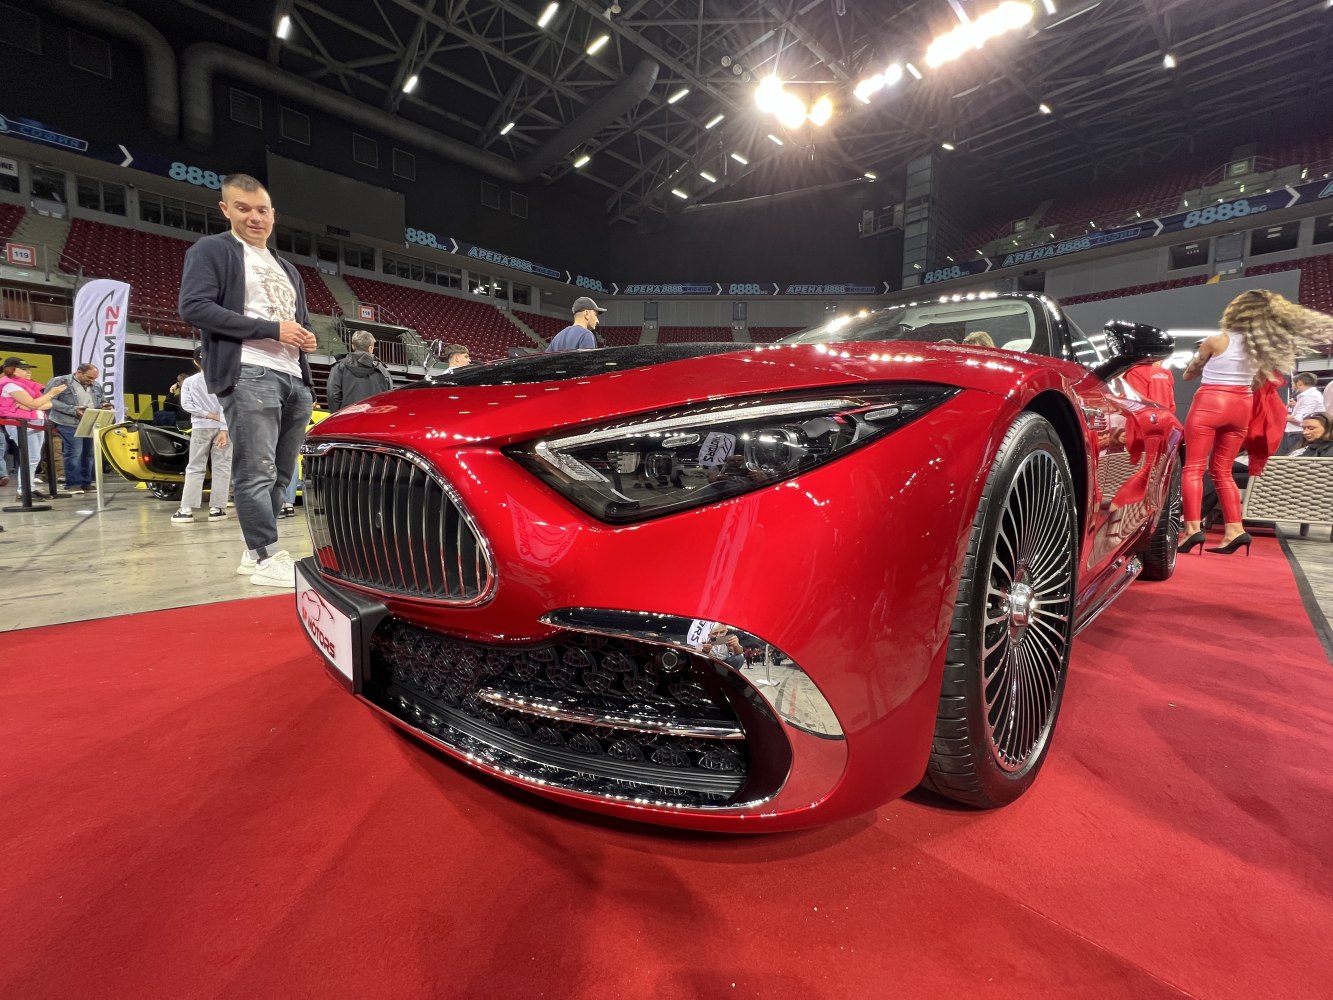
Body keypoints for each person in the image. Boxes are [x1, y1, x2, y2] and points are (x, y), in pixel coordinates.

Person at [178, 172, 317, 589]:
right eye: (243, 208)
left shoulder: (287, 268)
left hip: (294, 376)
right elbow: (194, 306)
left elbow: (298, 322)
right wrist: (271, 329)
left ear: (273, 214)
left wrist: (305, 336)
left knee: (279, 474)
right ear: (226, 209)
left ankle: (254, 551)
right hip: (250, 371)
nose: (254, 217)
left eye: (261, 210)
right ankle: (264, 554)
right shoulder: (213, 250)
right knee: (254, 470)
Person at [1178, 289, 1333, 557]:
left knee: (1193, 468)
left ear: (1236, 312)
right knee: (1223, 472)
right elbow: (1258, 384)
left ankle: (1193, 530)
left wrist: (1199, 359)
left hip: (1210, 403)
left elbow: (1189, 375)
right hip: (1240, 407)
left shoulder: (1215, 341)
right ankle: (1235, 530)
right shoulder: (1261, 351)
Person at [171, 347, 232, 524]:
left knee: (195, 467)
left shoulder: (189, 382)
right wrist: (223, 427)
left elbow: (186, 405)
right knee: (222, 467)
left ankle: (186, 510)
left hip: (200, 427)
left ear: (195, 362)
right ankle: (217, 509)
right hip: (224, 428)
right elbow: (227, 405)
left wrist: (207, 415)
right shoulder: (224, 380)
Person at [0, 357, 66, 499]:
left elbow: (48, 405)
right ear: (12, 369)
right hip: (21, 422)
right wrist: (50, 394)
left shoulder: (27, 385)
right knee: (29, 457)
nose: (28, 372)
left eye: (28, 369)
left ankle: (29, 488)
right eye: (23, 369)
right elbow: (36, 403)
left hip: (36, 420)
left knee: (34, 457)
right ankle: (23, 490)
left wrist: (32, 404)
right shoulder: (10, 384)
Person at [45, 363, 112, 494]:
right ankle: (73, 484)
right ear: (79, 372)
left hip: (90, 422)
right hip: (68, 422)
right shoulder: (60, 381)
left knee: (89, 454)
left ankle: (86, 483)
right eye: (89, 377)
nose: (92, 381)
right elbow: (49, 400)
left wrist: (104, 404)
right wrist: (72, 410)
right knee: (74, 452)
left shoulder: (96, 385)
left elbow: (101, 399)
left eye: (94, 378)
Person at [326, 330, 392, 411]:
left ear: (353, 346)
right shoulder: (383, 371)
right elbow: (389, 398)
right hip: (375, 419)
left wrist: (338, 416)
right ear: (370, 348)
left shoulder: (339, 367)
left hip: (348, 419)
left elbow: (333, 396)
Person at [1282, 372, 1324, 453]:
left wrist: (1280, 415)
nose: (1292, 386)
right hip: (1299, 433)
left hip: (1299, 434)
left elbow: (1300, 419)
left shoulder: (1309, 396)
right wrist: (1296, 405)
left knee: (1295, 458)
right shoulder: (1310, 395)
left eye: (1293, 383)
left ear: (1300, 383)